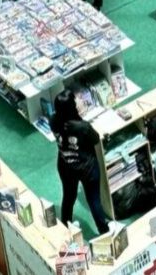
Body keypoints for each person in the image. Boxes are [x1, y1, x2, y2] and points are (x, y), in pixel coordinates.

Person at [50, 91, 109, 235]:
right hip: (87, 168)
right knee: (94, 199)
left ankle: (65, 225)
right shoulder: (83, 127)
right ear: (72, 107)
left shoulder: (53, 120)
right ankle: (104, 231)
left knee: (68, 197)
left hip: (66, 166)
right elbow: (95, 139)